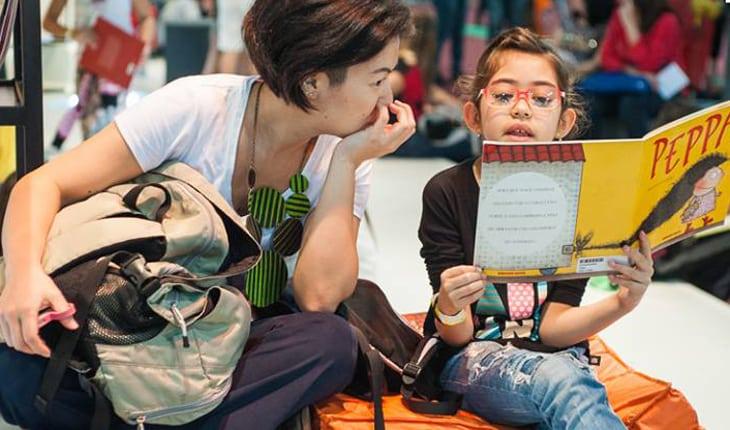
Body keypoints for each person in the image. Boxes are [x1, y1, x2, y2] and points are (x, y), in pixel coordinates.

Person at [0, 1, 415, 429]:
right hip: (133, 324)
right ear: (313, 82)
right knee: (14, 361)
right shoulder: (196, 108)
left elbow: (319, 297)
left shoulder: (347, 150)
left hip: (225, 340)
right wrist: (24, 275)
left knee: (331, 343)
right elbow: (42, 184)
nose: (389, 98)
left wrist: (346, 163)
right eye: (378, 80)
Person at [418, 28, 655, 429]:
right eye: (504, 95)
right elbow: (457, 335)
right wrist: (450, 304)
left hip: (556, 359)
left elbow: (555, 326)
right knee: (562, 380)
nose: (522, 110)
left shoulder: (580, 197)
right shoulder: (448, 191)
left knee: (564, 377)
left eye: (542, 99)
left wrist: (623, 302)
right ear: (474, 115)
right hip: (474, 358)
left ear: (564, 121)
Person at [42, 0, 157, 149]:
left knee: (114, 117)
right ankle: (62, 145)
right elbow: (48, 22)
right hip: (90, 61)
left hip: (120, 59)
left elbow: (146, 17)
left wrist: (143, 47)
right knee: (88, 118)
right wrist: (74, 33)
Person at [590, 0, 685, 138]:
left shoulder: (667, 20)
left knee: (630, 105)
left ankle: (643, 155)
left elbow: (649, 64)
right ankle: (593, 154)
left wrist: (631, 26)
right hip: (627, 82)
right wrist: (634, 72)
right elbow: (606, 58)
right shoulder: (620, 13)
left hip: (661, 85)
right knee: (590, 102)